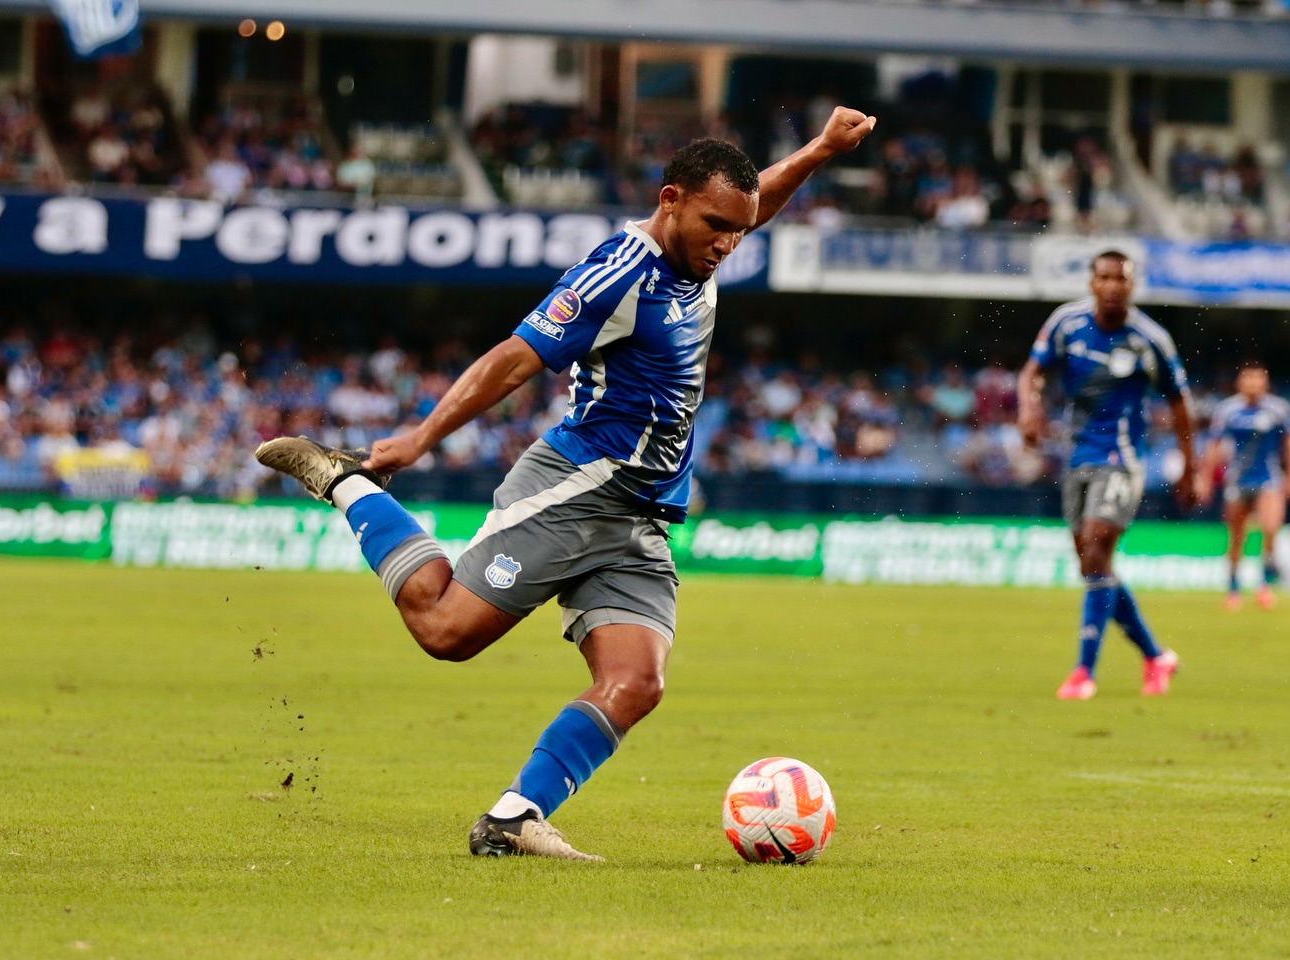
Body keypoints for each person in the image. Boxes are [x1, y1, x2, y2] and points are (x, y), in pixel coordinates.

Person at [254, 107, 877, 859]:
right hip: (580, 484)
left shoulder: (707, 247)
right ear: (669, 197)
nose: (728, 243)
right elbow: (515, 358)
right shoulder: (618, 273)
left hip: (642, 513)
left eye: (738, 231)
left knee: (636, 683)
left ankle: (514, 820)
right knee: (446, 634)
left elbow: (756, 200)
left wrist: (817, 150)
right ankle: (347, 484)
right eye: (716, 224)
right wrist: (421, 436)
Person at [1017, 251, 1195, 701]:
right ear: (1092, 282)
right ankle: (1156, 655)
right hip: (1077, 458)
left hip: (1122, 459)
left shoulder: (1150, 339)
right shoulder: (1067, 323)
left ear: (1132, 286)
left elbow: (1179, 404)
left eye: (1122, 278)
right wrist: (1030, 408)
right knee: (1094, 566)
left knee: (1097, 549)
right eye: (1105, 277)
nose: (1113, 285)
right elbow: (1033, 371)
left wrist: (1190, 468)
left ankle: (1083, 672)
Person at [1198, 364, 1290, 610]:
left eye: (1258, 379)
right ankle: (1233, 588)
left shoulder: (1278, 409)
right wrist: (1205, 478)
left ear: (1265, 383)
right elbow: (1214, 445)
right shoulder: (1227, 410)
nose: (1253, 384)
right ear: (1240, 383)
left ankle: (1264, 586)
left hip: (1268, 479)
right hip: (1238, 480)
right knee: (1236, 536)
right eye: (1248, 379)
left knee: (1270, 527)